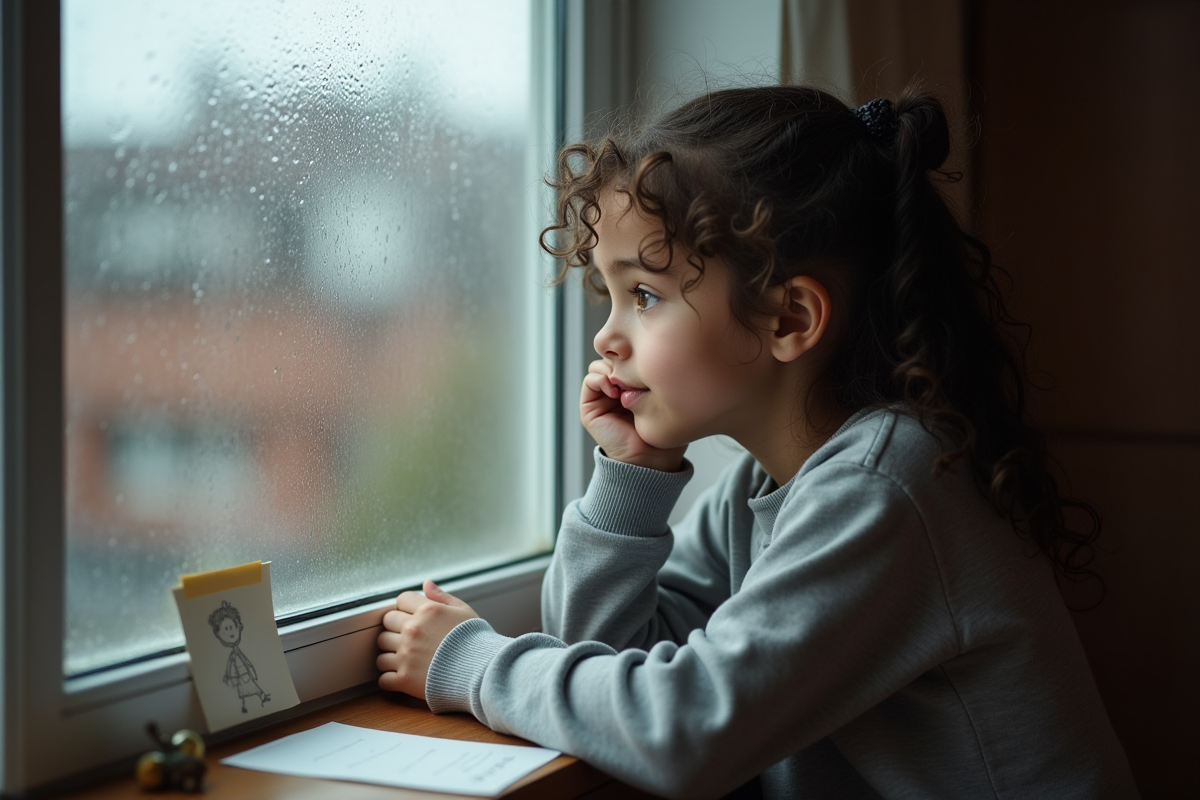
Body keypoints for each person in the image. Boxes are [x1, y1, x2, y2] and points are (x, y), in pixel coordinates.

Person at [374, 85, 1137, 799]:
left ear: (788, 320)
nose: (607, 335)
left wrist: (467, 662)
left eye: (644, 294)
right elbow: (602, 659)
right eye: (611, 295)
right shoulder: (762, 487)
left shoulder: (888, 487)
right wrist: (632, 476)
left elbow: (684, 732)